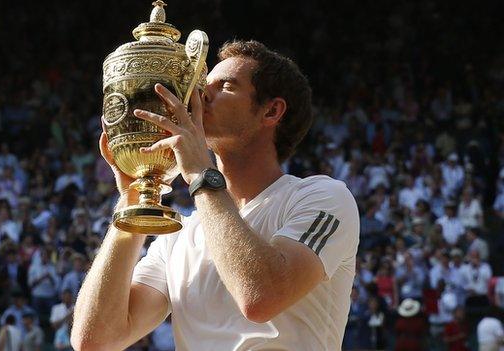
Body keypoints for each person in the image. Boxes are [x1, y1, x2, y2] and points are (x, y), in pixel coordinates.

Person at [71, 40, 359, 350]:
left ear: (272, 111)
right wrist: (132, 200)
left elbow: (259, 299)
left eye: (226, 86)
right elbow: (95, 340)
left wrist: (200, 174)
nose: (201, 95)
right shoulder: (177, 238)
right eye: (202, 85)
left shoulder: (323, 197)